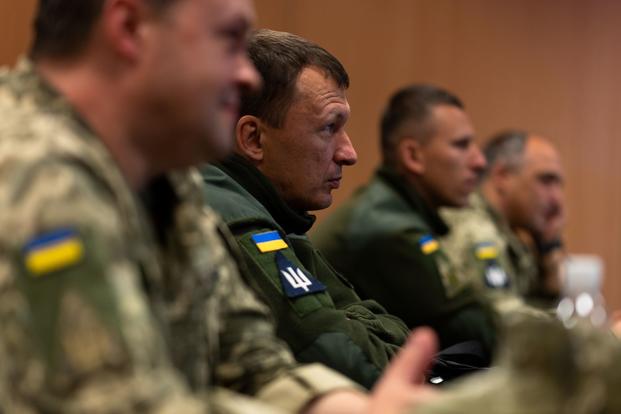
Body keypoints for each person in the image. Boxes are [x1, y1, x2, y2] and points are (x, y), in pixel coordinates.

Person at [0, 1, 437, 412]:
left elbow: (249, 360)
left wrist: (335, 405)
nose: (247, 76)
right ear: (130, 29)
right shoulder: (35, 173)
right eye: (229, 40)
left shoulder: (172, 177)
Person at [201, 28, 413, 390]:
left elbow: (385, 331)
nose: (349, 153)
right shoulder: (238, 219)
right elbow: (359, 366)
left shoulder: (278, 215)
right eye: (330, 128)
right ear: (253, 139)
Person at [312, 85, 497, 355]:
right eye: (461, 145)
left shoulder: (400, 212)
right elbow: (471, 327)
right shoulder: (389, 230)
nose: (479, 162)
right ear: (413, 156)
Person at [440, 130, 565, 312]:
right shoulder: (477, 232)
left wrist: (549, 248)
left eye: (558, 185)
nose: (557, 199)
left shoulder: (510, 235)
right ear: (502, 177)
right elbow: (509, 324)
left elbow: (536, 307)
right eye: (546, 181)